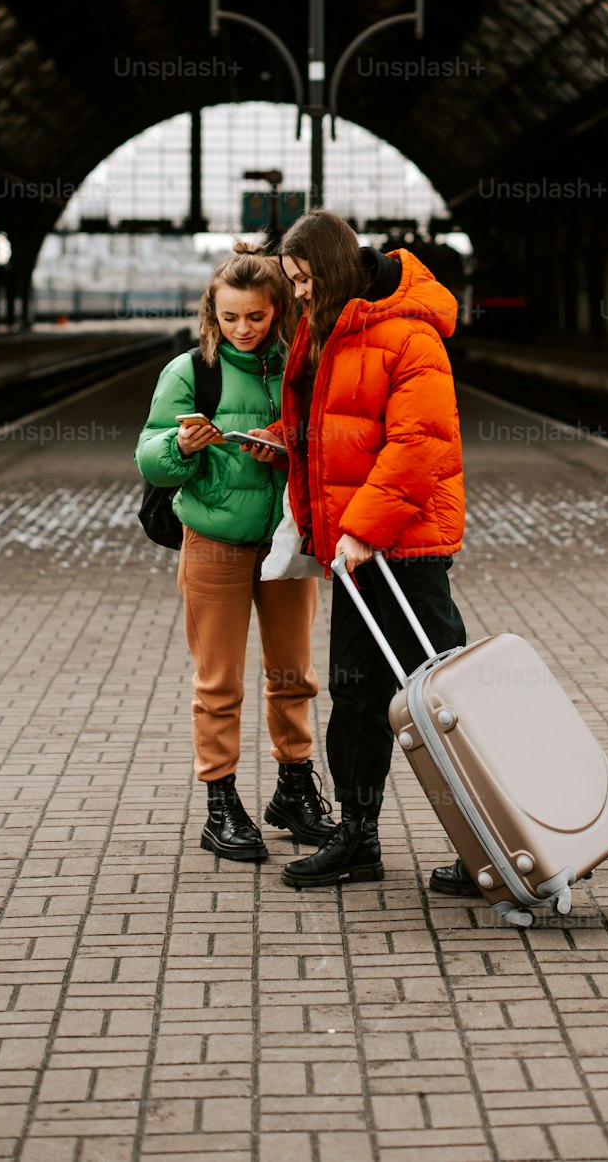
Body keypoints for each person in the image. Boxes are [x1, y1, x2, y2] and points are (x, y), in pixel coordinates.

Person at [242, 210, 479, 897]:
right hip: (356, 552)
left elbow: (421, 445)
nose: (300, 294)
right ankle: (358, 835)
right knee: (355, 695)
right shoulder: (327, 333)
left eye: (305, 278)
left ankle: (488, 839)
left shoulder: (410, 334)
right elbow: (335, 427)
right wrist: (282, 439)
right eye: (292, 283)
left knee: (441, 702)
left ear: (337, 267)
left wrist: (366, 529)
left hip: (406, 550)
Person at [134, 242, 334, 863]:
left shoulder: (301, 366)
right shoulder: (191, 372)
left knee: (293, 676)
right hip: (213, 543)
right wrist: (182, 447)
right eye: (230, 318)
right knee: (218, 682)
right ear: (211, 315)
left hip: (284, 543)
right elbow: (149, 455)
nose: (243, 329)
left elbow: (330, 440)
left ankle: (294, 791)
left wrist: (287, 449)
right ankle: (221, 805)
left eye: (256, 317)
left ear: (279, 310)